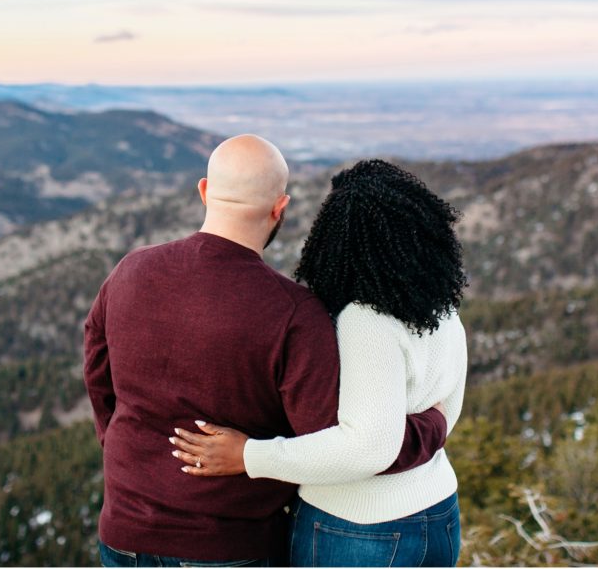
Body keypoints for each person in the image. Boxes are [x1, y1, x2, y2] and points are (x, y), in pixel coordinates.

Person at [83, 136, 450, 568]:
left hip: (123, 534)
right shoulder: (293, 313)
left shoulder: (130, 270)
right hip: (228, 546)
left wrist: (123, 448)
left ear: (204, 191)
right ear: (280, 207)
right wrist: (433, 425)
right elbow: (334, 444)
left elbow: (97, 374)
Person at [170, 159, 469, 567]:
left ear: (337, 237)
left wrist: (248, 456)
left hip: (358, 527)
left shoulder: (365, 319)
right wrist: (432, 427)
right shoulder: (440, 307)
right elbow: (447, 411)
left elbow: (368, 447)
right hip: (438, 513)